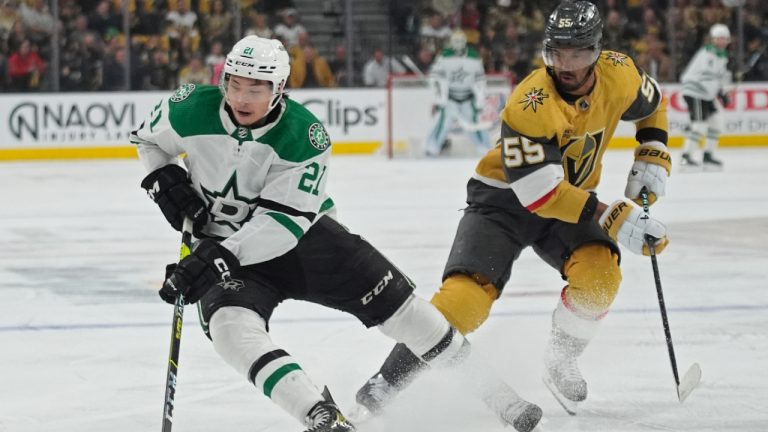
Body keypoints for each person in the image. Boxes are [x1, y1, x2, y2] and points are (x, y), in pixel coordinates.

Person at [130, 35, 541, 432]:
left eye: (255, 88)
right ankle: (320, 416)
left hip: (307, 242)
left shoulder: (304, 136)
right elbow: (146, 139)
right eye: (234, 85)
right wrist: (162, 176)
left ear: (279, 89)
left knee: (407, 314)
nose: (241, 98)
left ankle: (499, 396)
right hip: (226, 250)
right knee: (230, 330)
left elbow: (283, 225)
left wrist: (215, 257)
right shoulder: (188, 107)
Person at [354, 0, 671, 419]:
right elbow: (538, 195)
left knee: (601, 277)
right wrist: (612, 215)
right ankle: (386, 380)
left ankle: (561, 359)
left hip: (572, 200)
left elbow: (653, 105)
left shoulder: (621, 72)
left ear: (596, 51)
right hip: (504, 202)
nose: (567, 65)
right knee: (465, 302)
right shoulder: (530, 103)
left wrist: (653, 151)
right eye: (558, 53)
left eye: (577, 53)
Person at [425, 30, 491, 157]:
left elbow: (480, 78)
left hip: (468, 98)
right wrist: (439, 93)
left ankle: (484, 148)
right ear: (451, 42)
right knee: (443, 123)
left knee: (473, 123)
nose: (458, 43)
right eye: (455, 41)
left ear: (465, 41)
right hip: (450, 97)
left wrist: (480, 95)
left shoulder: (474, 56)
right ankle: (431, 147)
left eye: (460, 40)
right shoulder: (444, 55)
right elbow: (435, 75)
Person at [679, 23, 732, 170]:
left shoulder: (722, 56)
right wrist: (721, 92)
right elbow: (709, 76)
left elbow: (718, 78)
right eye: (718, 38)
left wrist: (722, 91)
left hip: (705, 94)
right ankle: (686, 157)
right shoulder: (707, 53)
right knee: (699, 126)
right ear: (712, 40)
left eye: (724, 38)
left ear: (728, 40)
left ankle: (708, 156)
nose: (721, 41)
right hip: (695, 91)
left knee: (716, 122)